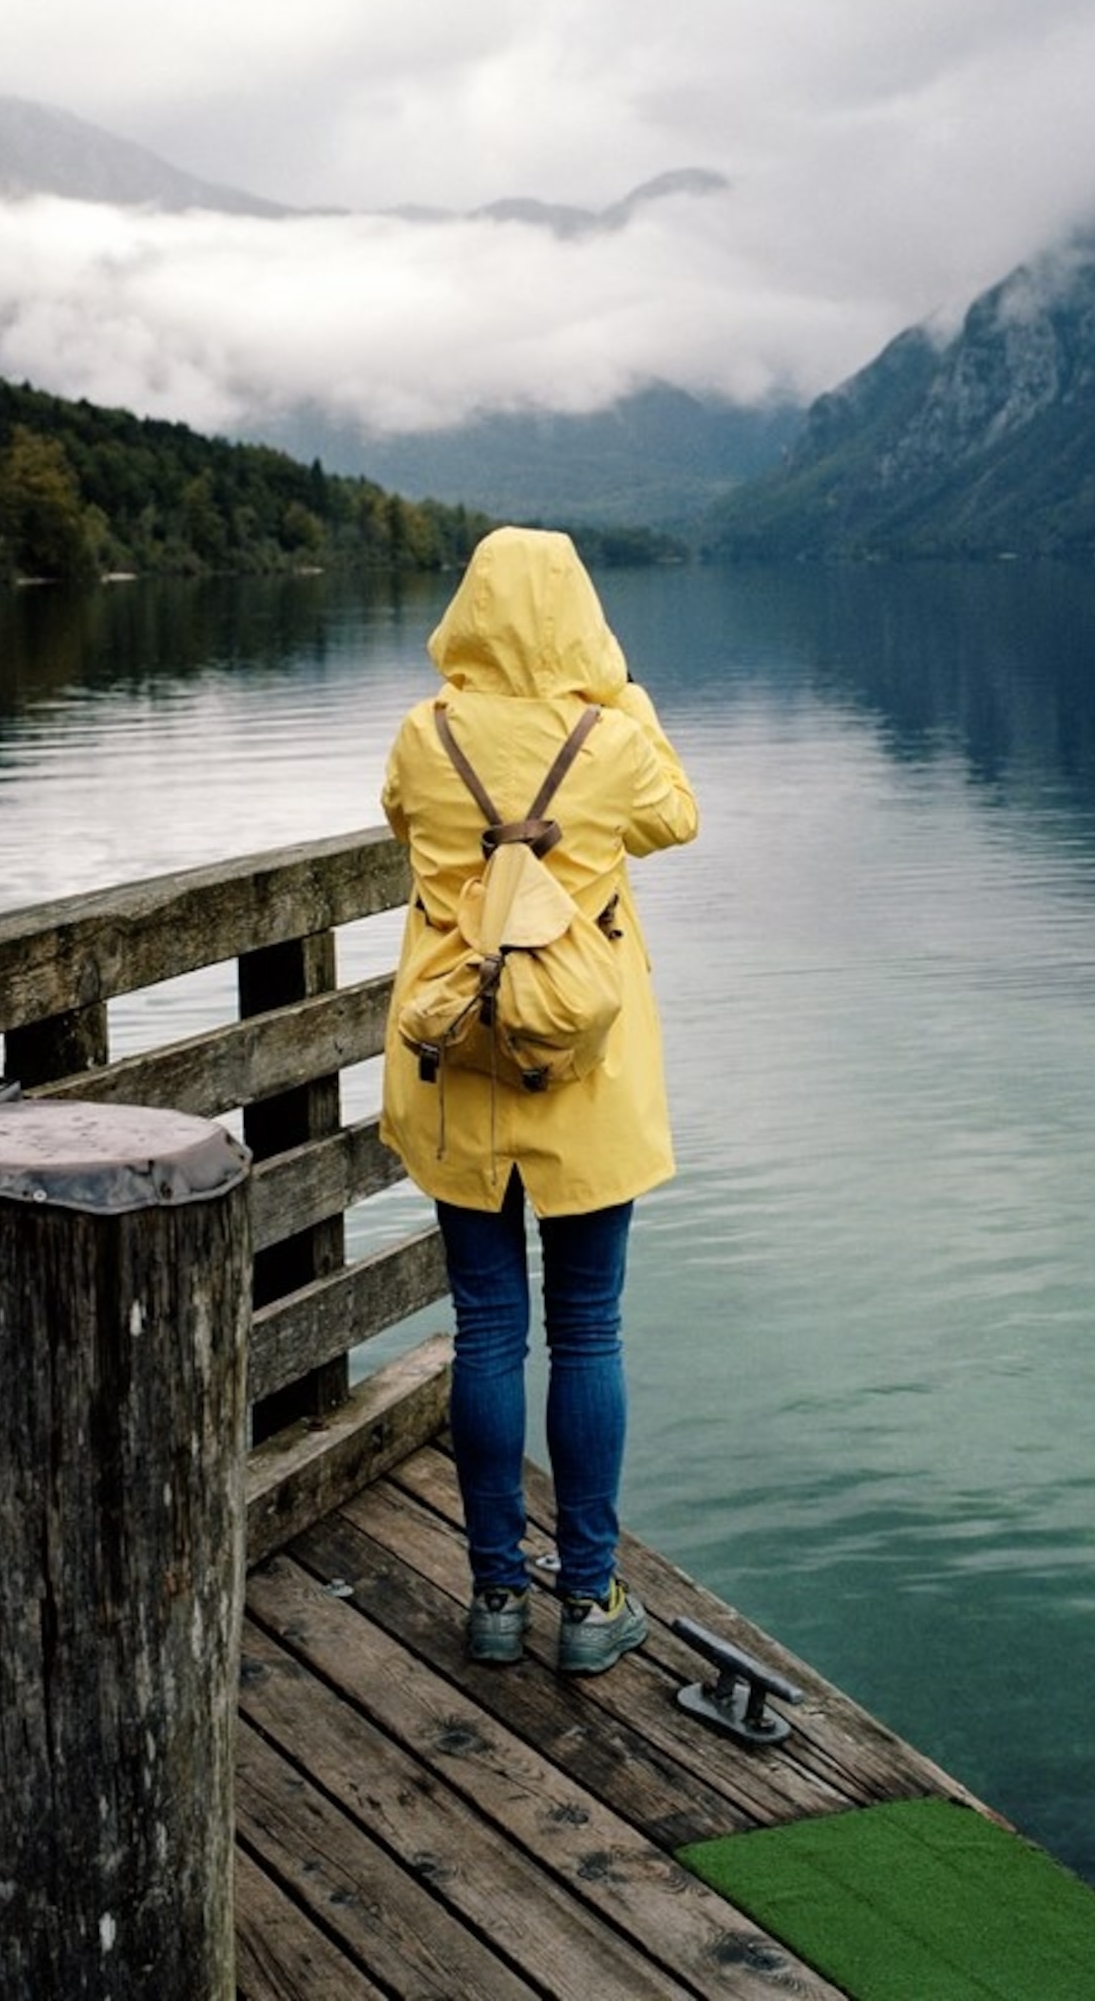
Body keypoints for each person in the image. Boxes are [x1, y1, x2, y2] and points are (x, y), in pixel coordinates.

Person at [379, 528, 698, 1675]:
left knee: (487, 1326)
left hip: (459, 1069)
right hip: (585, 1076)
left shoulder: (423, 736)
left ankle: (495, 1596)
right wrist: (620, 689)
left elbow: (402, 821)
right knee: (588, 1326)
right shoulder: (609, 742)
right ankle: (591, 1600)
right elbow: (677, 816)